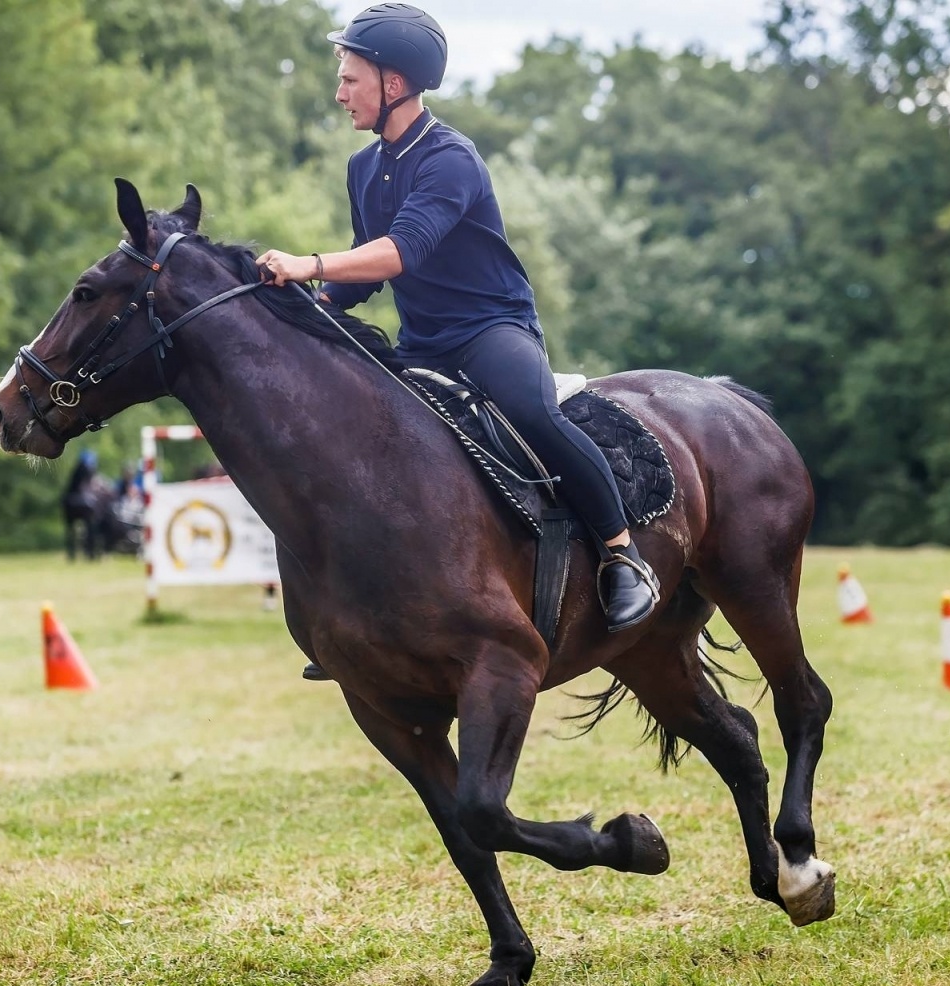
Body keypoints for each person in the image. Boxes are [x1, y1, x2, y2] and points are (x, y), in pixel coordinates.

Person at [257, 4, 658, 677]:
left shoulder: (451, 158)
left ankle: (622, 554)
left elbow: (398, 253)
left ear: (395, 83)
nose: (339, 91)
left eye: (351, 78)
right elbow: (365, 267)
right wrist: (311, 305)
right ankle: (364, 609)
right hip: (422, 342)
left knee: (533, 414)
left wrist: (309, 263)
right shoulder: (363, 168)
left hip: (490, 330)